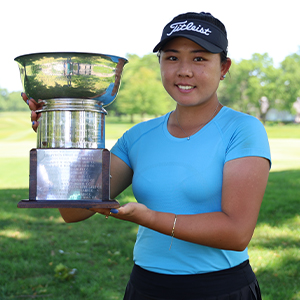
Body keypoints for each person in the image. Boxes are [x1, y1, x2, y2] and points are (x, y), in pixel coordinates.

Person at [22, 12, 271, 300]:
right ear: (161, 63)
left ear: (224, 67)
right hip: (146, 288)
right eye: (172, 57)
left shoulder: (243, 129)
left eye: (199, 58)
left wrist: (149, 217)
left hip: (219, 289)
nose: (184, 70)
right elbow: (74, 209)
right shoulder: (139, 136)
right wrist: (64, 129)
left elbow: (237, 234)